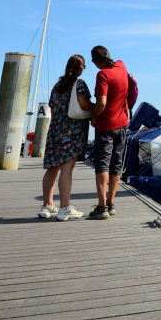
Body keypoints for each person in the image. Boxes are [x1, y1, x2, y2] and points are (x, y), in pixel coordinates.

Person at [38, 55, 92, 221]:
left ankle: (47, 205)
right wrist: (97, 109)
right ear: (80, 67)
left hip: (55, 129)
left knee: (52, 168)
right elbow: (84, 105)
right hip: (72, 131)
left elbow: (52, 110)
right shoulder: (79, 85)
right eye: (84, 65)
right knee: (67, 168)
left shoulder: (57, 86)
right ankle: (65, 207)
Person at [89, 44, 129, 220]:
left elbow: (101, 103)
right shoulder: (121, 66)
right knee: (116, 164)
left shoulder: (102, 74)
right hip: (122, 124)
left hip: (106, 125)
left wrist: (93, 117)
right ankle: (111, 202)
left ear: (96, 61)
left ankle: (101, 205)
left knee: (102, 164)